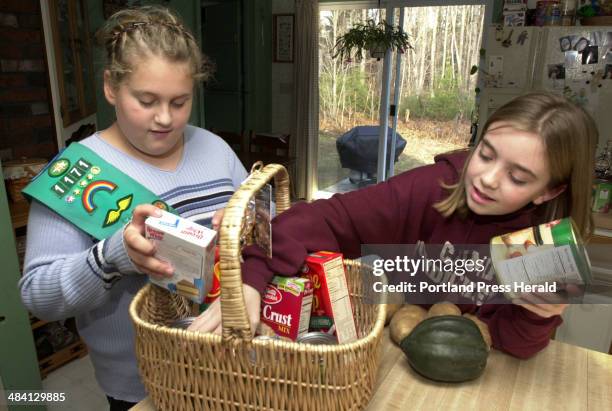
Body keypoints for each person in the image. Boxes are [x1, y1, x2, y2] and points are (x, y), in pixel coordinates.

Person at [191, 92, 597, 360]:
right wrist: (250, 281)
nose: (487, 179)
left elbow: (517, 347)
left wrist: (539, 317)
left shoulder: (549, 246)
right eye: (485, 154)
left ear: (548, 192)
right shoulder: (431, 188)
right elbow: (316, 219)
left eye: (519, 178)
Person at [19, 6, 247, 410]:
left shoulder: (214, 148)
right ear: (111, 87)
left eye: (180, 102)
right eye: (146, 100)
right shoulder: (75, 173)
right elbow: (39, 296)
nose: (165, 119)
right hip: (143, 384)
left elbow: (268, 229)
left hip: (234, 363)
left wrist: (248, 225)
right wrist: (113, 258)